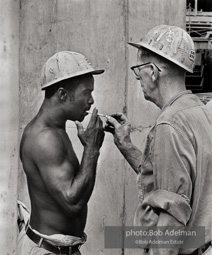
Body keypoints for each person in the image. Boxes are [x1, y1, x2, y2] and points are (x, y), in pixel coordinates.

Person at [105, 25, 212, 255]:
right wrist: (126, 146)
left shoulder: (169, 124)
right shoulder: (199, 112)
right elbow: (167, 181)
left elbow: (172, 214)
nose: (138, 77)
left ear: (153, 71)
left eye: (139, 70)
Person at [17, 51, 105, 255]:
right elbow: (72, 202)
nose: (91, 101)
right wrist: (92, 149)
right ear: (63, 94)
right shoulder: (44, 138)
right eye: (87, 93)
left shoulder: (56, 130)